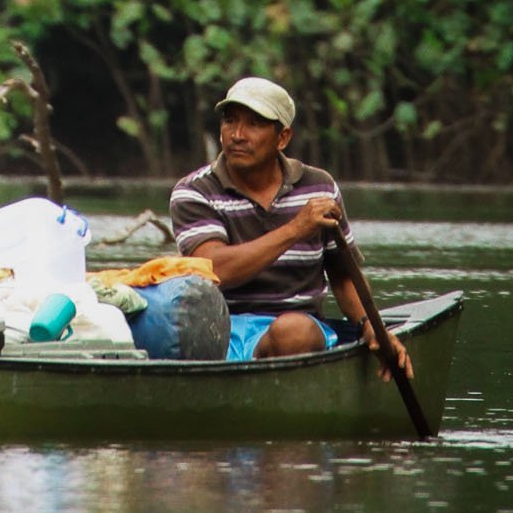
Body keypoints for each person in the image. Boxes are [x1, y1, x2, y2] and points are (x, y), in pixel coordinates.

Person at [170, 76, 413, 375]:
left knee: (292, 330)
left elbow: (342, 274)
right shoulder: (195, 191)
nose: (237, 135)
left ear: (282, 138)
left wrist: (370, 325)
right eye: (230, 121)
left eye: (254, 124)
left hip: (301, 330)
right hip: (219, 329)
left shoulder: (319, 187)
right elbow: (214, 269)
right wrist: (295, 229)